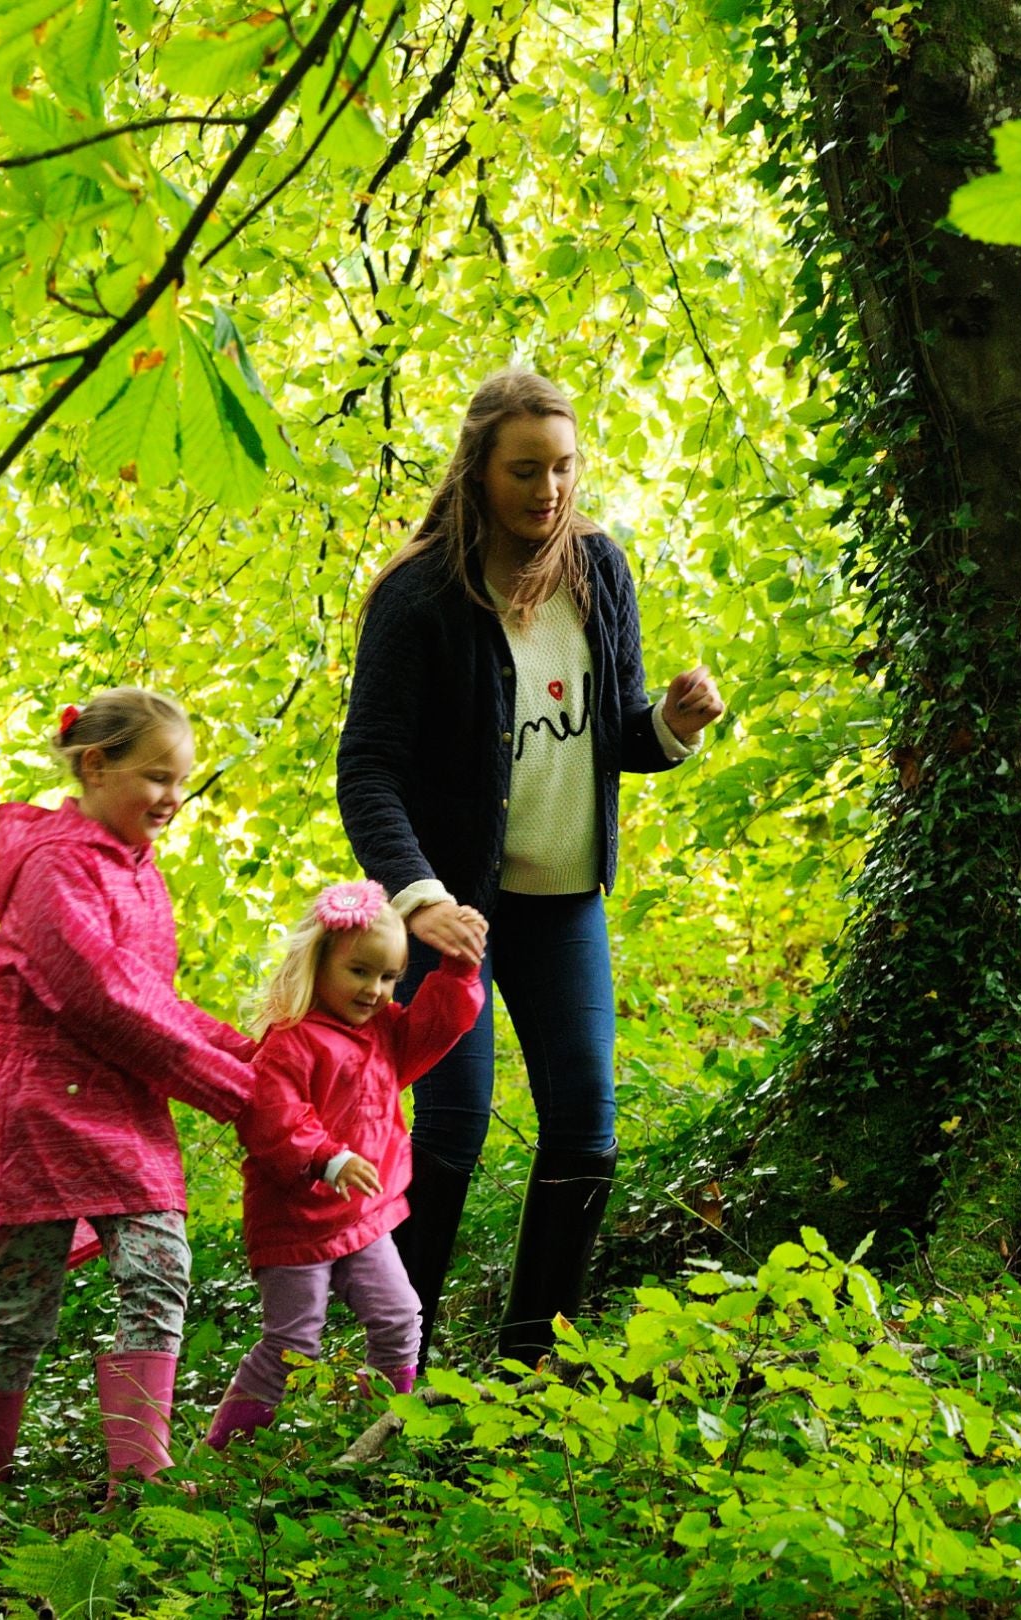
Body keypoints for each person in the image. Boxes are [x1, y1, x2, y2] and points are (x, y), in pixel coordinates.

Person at [337, 369, 728, 1367]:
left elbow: (615, 735)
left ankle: (527, 1363)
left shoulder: (600, 570)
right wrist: (419, 899)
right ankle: (403, 1366)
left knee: (587, 1132)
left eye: (562, 468)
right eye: (524, 470)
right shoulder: (420, 596)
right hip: (449, 914)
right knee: (452, 1128)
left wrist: (670, 729)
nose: (546, 490)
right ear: (478, 471)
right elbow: (369, 769)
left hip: (563, 907)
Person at [0, 687, 257, 1493]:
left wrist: (256, 1058)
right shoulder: (55, 866)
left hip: (121, 1107)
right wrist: (234, 1091)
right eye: (157, 778)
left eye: (181, 781)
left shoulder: (140, 872)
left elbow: (153, 994)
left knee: (159, 1267)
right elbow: (104, 999)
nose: (173, 799)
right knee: (22, 1307)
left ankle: (139, 1479)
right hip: (40, 1113)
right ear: (96, 765)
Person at [203, 880, 485, 1451]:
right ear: (319, 961)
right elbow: (272, 1118)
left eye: (388, 977)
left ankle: (373, 1431)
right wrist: (328, 1157)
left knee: (400, 1318)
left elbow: (433, 1029)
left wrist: (457, 973)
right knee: (294, 1342)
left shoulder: (381, 1031)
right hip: (296, 1223)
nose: (375, 991)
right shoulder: (290, 1041)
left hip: (363, 1216)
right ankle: (221, 1455)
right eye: (360, 972)